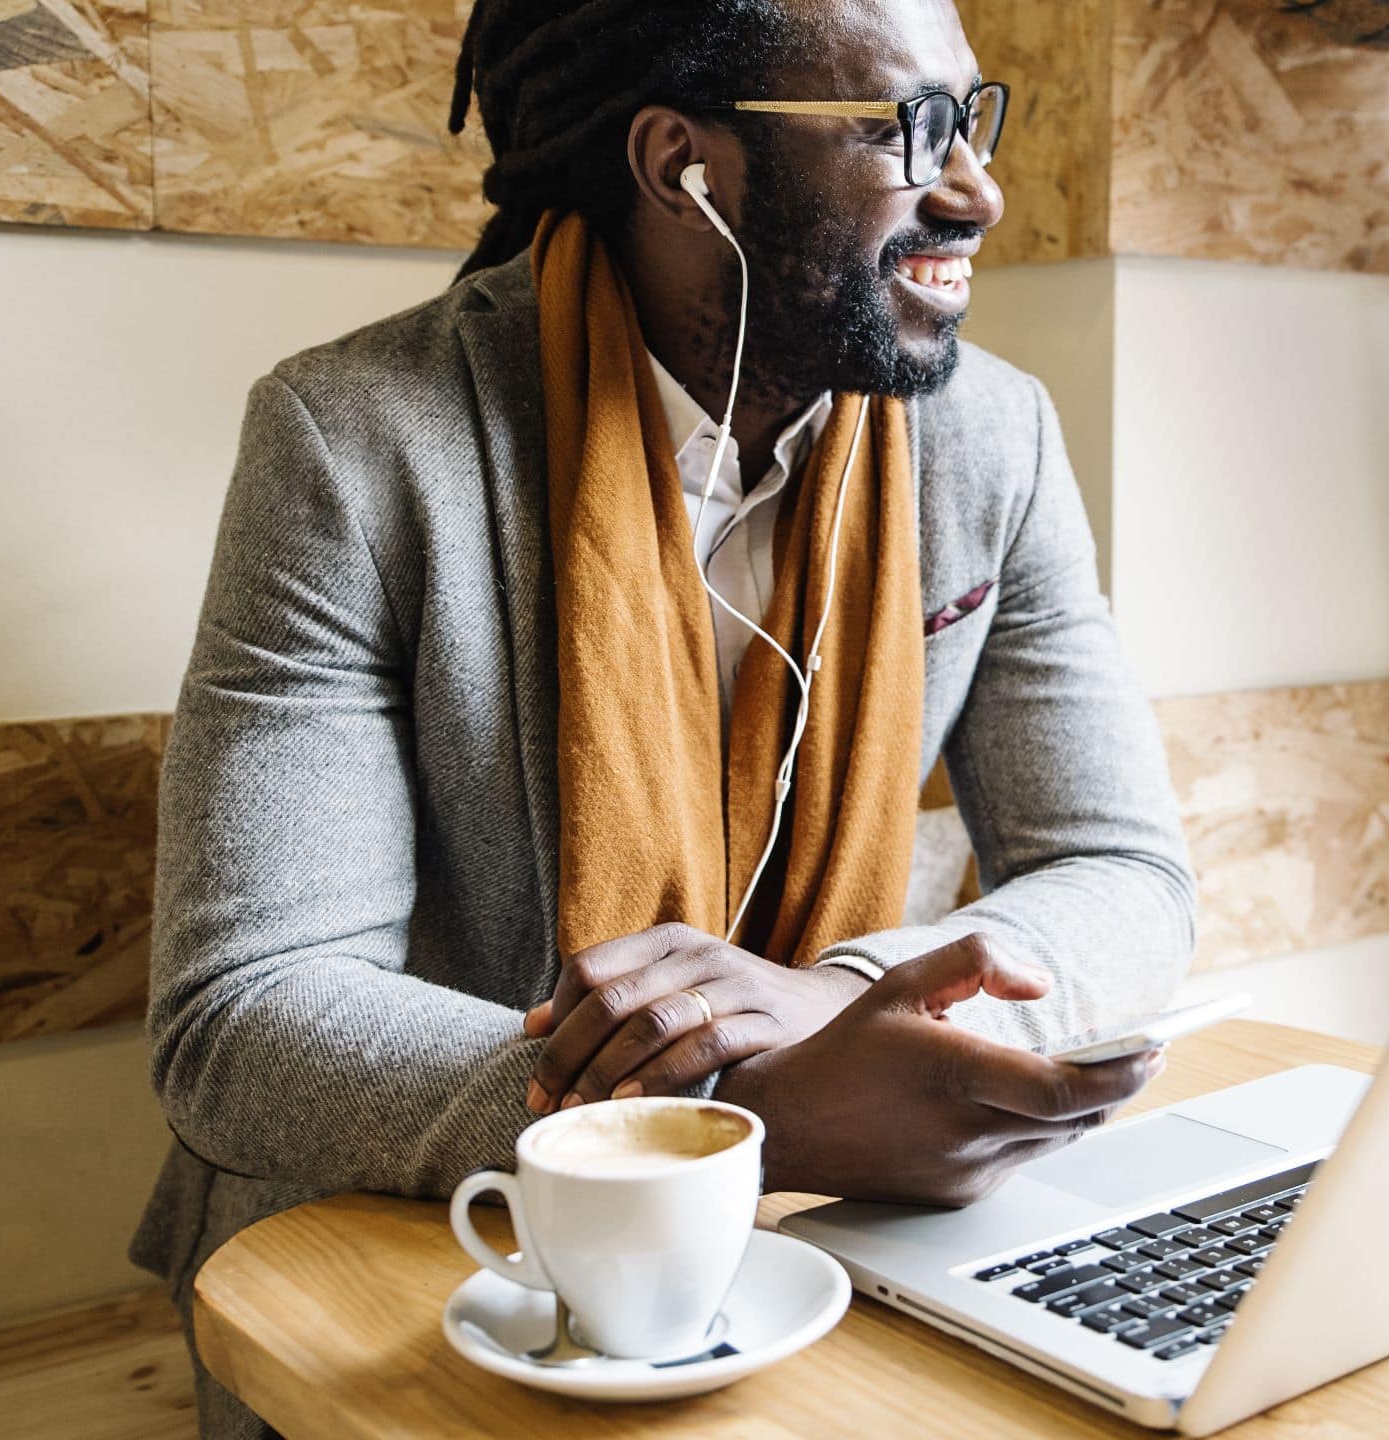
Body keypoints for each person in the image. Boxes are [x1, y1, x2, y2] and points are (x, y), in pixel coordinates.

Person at [129, 2, 1198, 1434]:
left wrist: (836, 998)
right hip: (433, 1250)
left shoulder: (993, 441)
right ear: (680, 163)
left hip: (824, 1243)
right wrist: (748, 1108)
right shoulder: (357, 440)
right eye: (901, 127)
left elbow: (1126, 874)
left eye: (972, 114)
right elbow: (242, 1020)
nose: (976, 189)